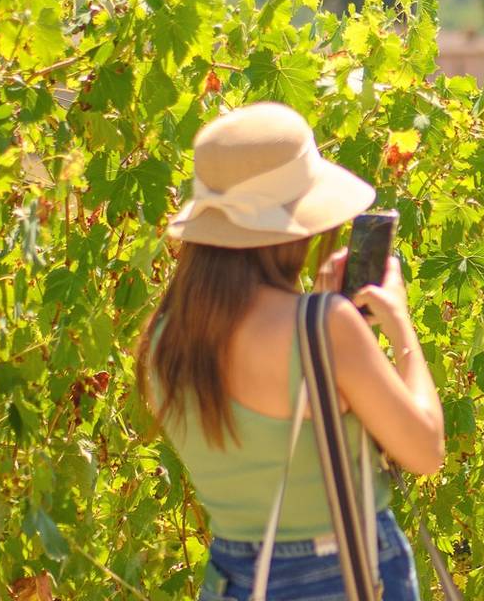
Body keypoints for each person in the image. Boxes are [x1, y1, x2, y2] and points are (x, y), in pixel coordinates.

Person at [136, 102, 445, 601]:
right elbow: (425, 450)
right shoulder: (323, 329)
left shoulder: (164, 337)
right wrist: (399, 326)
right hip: (343, 572)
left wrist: (323, 316)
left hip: (233, 579)